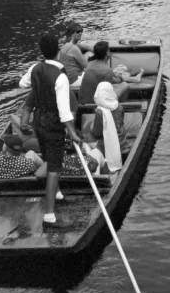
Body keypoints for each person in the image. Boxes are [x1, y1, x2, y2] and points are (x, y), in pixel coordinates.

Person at [18, 33, 82, 229]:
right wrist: (73, 132)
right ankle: (49, 217)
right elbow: (64, 113)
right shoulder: (60, 77)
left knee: (51, 160)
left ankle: (58, 194)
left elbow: (23, 84)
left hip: (39, 124)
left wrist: (39, 81)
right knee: (54, 170)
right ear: (58, 51)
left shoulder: (35, 68)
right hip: (53, 126)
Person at [78, 40, 142, 105]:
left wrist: (117, 76)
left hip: (84, 101)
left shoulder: (90, 64)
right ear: (106, 53)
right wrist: (120, 78)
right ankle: (118, 105)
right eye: (108, 50)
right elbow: (107, 92)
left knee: (118, 85)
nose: (110, 51)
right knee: (125, 85)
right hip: (94, 103)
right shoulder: (107, 70)